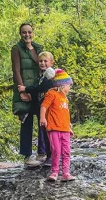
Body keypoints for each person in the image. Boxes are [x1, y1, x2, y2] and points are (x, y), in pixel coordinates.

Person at [11, 23, 43, 167]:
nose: (27, 35)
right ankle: (27, 156)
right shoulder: (16, 49)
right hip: (24, 89)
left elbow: (44, 67)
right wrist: (22, 92)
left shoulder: (38, 48)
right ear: (20, 34)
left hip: (37, 89)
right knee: (26, 122)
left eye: (29, 32)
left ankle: (42, 153)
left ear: (33, 33)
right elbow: (16, 71)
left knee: (43, 121)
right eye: (24, 32)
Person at [18, 51, 55, 166]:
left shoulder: (50, 73)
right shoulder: (41, 74)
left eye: (45, 61)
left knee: (47, 130)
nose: (43, 63)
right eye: (40, 61)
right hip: (41, 106)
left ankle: (50, 156)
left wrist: (26, 89)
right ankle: (47, 154)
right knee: (43, 130)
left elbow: (41, 87)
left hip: (48, 107)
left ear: (51, 63)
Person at [40, 69, 75, 181]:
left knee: (66, 151)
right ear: (62, 85)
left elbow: (66, 113)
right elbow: (44, 106)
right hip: (54, 128)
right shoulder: (51, 94)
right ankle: (54, 172)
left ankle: (65, 173)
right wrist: (42, 118)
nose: (69, 88)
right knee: (56, 150)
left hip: (65, 130)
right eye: (68, 85)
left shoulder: (64, 97)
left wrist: (69, 126)